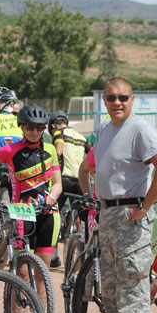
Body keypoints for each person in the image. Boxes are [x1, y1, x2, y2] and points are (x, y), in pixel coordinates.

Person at [77, 77, 157, 313]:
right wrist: (92, 197)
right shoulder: (105, 129)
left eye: (123, 97)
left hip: (131, 216)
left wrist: (144, 207)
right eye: (111, 98)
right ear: (103, 101)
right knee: (111, 289)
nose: (117, 103)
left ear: (133, 100)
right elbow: (89, 167)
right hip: (109, 215)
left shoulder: (141, 129)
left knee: (132, 284)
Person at [0, 104, 62, 313]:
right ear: (22, 127)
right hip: (21, 214)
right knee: (22, 272)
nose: (34, 131)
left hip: (48, 213)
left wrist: (54, 196)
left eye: (39, 127)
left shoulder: (50, 150)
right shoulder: (9, 150)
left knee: (42, 274)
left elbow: (57, 184)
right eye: (30, 127)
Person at [49, 110, 91, 267]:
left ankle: (53, 257)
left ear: (53, 125)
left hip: (62, 178)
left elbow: (58, 152)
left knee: (53, 214)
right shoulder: (80, 136)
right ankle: (82, 253)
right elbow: (92, 153)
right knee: (81, 217)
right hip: (79, 180)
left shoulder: (58, 132)